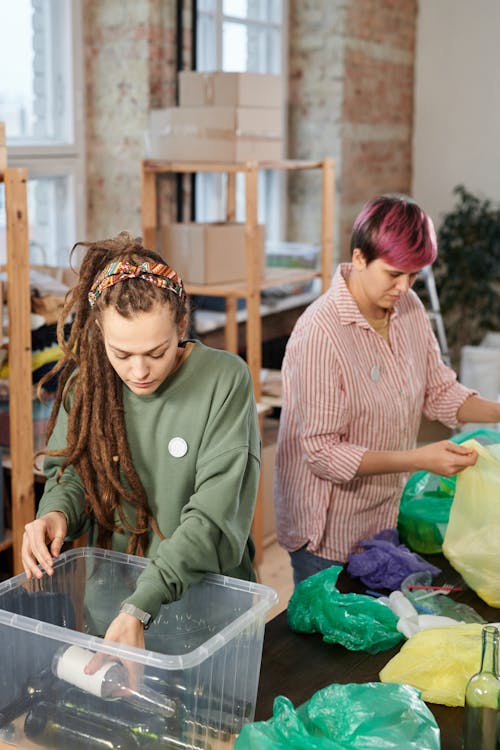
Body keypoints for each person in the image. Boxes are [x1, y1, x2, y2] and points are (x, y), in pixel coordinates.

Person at [22, 231, 260, 664]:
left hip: (203, 612)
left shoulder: (223, 380)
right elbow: (71, 474)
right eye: (121, 353)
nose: (139, 371)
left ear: (181, 326)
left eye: (156, 352)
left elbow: (213, 516)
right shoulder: (88, 387)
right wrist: (54, 513)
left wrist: (142, 603)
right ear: (98, 331)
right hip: (114, 615)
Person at [275, 194, 500, 587]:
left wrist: (497, 412)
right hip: (327, 529)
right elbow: (322, 454)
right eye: (394, 274)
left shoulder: (408, 308)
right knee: (325, 640)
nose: (404, 287)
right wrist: (418, 459)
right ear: (359, 258)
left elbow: (438, 390)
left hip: (382, 511)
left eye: (413, 276)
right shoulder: (320, 334)